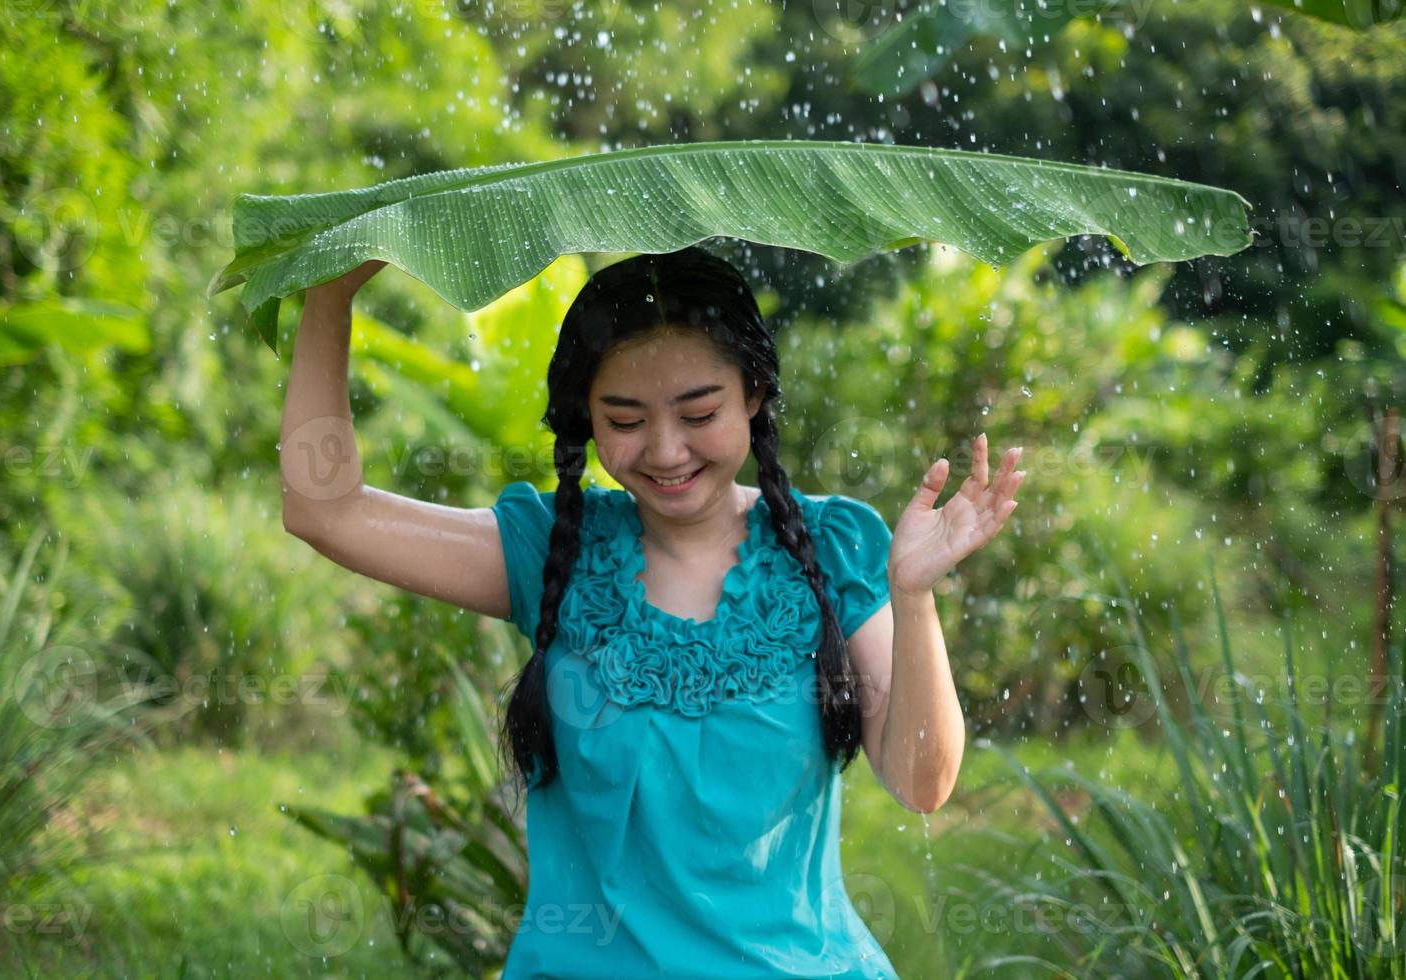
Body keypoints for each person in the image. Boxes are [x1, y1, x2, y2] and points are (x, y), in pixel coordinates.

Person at [279, 246, 1025, 979]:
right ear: (586, 418)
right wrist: (330, 297)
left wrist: (914, 596)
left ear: (754, 394)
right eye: (625, 419)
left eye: (699, 412)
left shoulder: (831, 549)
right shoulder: (550, 553)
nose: (666, 452)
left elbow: (922, 783)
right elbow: (325, 510)